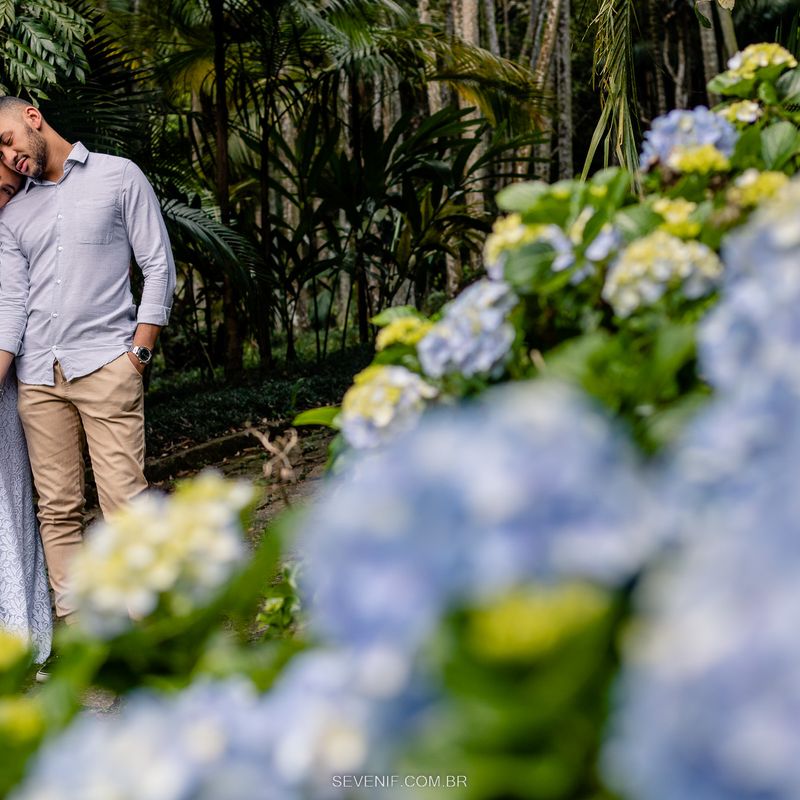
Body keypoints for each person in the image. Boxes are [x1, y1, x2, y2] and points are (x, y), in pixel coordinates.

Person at [0, 98, 177, 653]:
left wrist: (138, 355)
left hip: (105, 365)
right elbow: (11, 303)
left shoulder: (118, 176)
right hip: (37, 377)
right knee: (57, 513)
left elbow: (158, 265)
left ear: (32, 116)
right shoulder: (14, 215)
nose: (9, 156)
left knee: (125, 502)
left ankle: (150, 634)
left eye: (5, 139)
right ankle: (85, 645)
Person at [0, 160, 51, 663]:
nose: (3, 198)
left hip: (4, 379)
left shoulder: (10, 231)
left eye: (10, 191)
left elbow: (12, 311)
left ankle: (24, 640)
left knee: (10, 511)